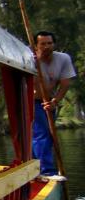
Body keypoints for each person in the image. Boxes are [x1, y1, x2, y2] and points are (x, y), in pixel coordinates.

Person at [32, 31, 76, 176]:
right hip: (31, 102)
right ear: (36, 46)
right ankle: (47, 172)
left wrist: (55, 101)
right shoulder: (29, 59)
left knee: (48, 135)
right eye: (43, 44)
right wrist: (36, 61)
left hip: (50, 102)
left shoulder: (63, 59)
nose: (47, 47)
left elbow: (65, 84)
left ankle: (34, 169)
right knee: (42, 134)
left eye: (49, 43)